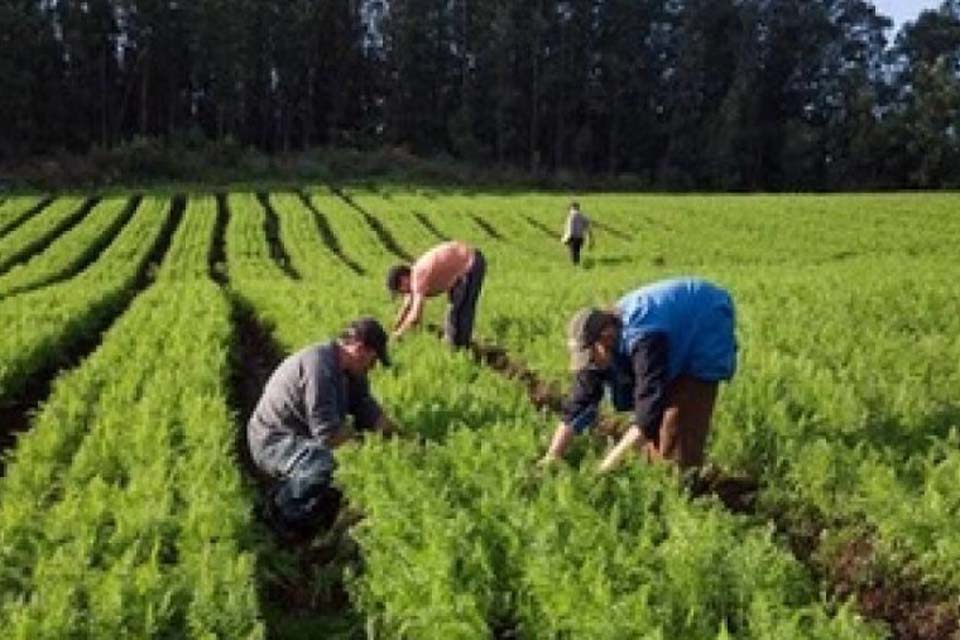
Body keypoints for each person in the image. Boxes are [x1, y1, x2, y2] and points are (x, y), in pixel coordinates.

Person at [539, 277, 737, 472]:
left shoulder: (643, 339)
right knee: (655, 424)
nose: (590, 363)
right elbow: (578, 404)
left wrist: (606, 467)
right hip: (671, 325)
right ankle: (655, 470)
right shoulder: (605, 343)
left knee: (677, 428)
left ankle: (680, 484)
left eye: (590, 355)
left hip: (705, 318)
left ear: (605, 337)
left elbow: (647, 412)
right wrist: (551, 457)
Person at [247, 317, 398, 539]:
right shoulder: (319, 366)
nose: (372, 368)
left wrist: (402, 440)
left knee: (331, 471)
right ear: (359, 349)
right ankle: (277, 510)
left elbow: (369, 412)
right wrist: (368, 452)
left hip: (300, 439)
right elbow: (328, 435)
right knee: (324, 461)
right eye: (373, 360)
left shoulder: (353, 374)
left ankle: (313, 519)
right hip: (272, 440)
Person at [386, 240, 486, 348]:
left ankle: (462, 347)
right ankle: (454, 347)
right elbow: (406, 307)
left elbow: (415, 317)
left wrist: (398, 336)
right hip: (460, 268)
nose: (402, 293)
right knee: (453, 315)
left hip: (471, 263)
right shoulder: (414, 275)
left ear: (403, 279)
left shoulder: (417, 277)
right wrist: (394, 328)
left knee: (462, 311)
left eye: (400, 290)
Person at [560, 201, 592, 265]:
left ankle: (576, 266)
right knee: (577, 252)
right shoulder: (583, 216)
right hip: (580, 238)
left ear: (572, 207)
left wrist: (565, 239)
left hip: (572, 238)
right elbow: (588, 229)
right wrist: (590, 240)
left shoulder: (571, 216)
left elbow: (570, 229)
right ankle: (577, 265)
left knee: (573, 254)